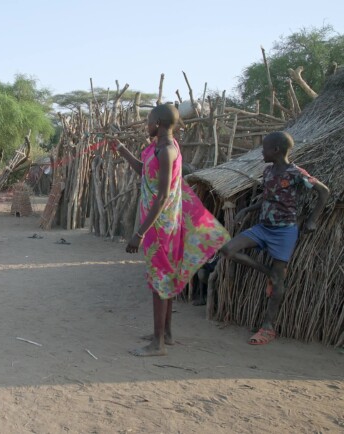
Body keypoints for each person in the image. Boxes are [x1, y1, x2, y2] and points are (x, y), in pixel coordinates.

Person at [113, 104, 229, 357]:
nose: (146, 124)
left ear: (159, 123)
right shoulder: (157, 148)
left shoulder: (166, 150)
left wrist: (140, 232)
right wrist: (122, 151)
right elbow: (145, 173)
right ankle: (166, 334)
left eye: (149, 120)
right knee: (163, 279)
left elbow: (163, 195)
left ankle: (158, 344)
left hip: (160, 225)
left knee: (159, 283)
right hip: (156, 222)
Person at [220, 131, 329, 346]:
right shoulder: (268, 172)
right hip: (262, 227)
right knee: (228, 250)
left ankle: (268, 328)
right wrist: (248, 209)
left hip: (284, 231)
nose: (262, 151)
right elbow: (268, 198)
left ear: (276, 150)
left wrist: (312, 220)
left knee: (280, 281)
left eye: (265, 148)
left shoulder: (296, 173)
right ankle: (268, 272)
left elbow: (324, 192)